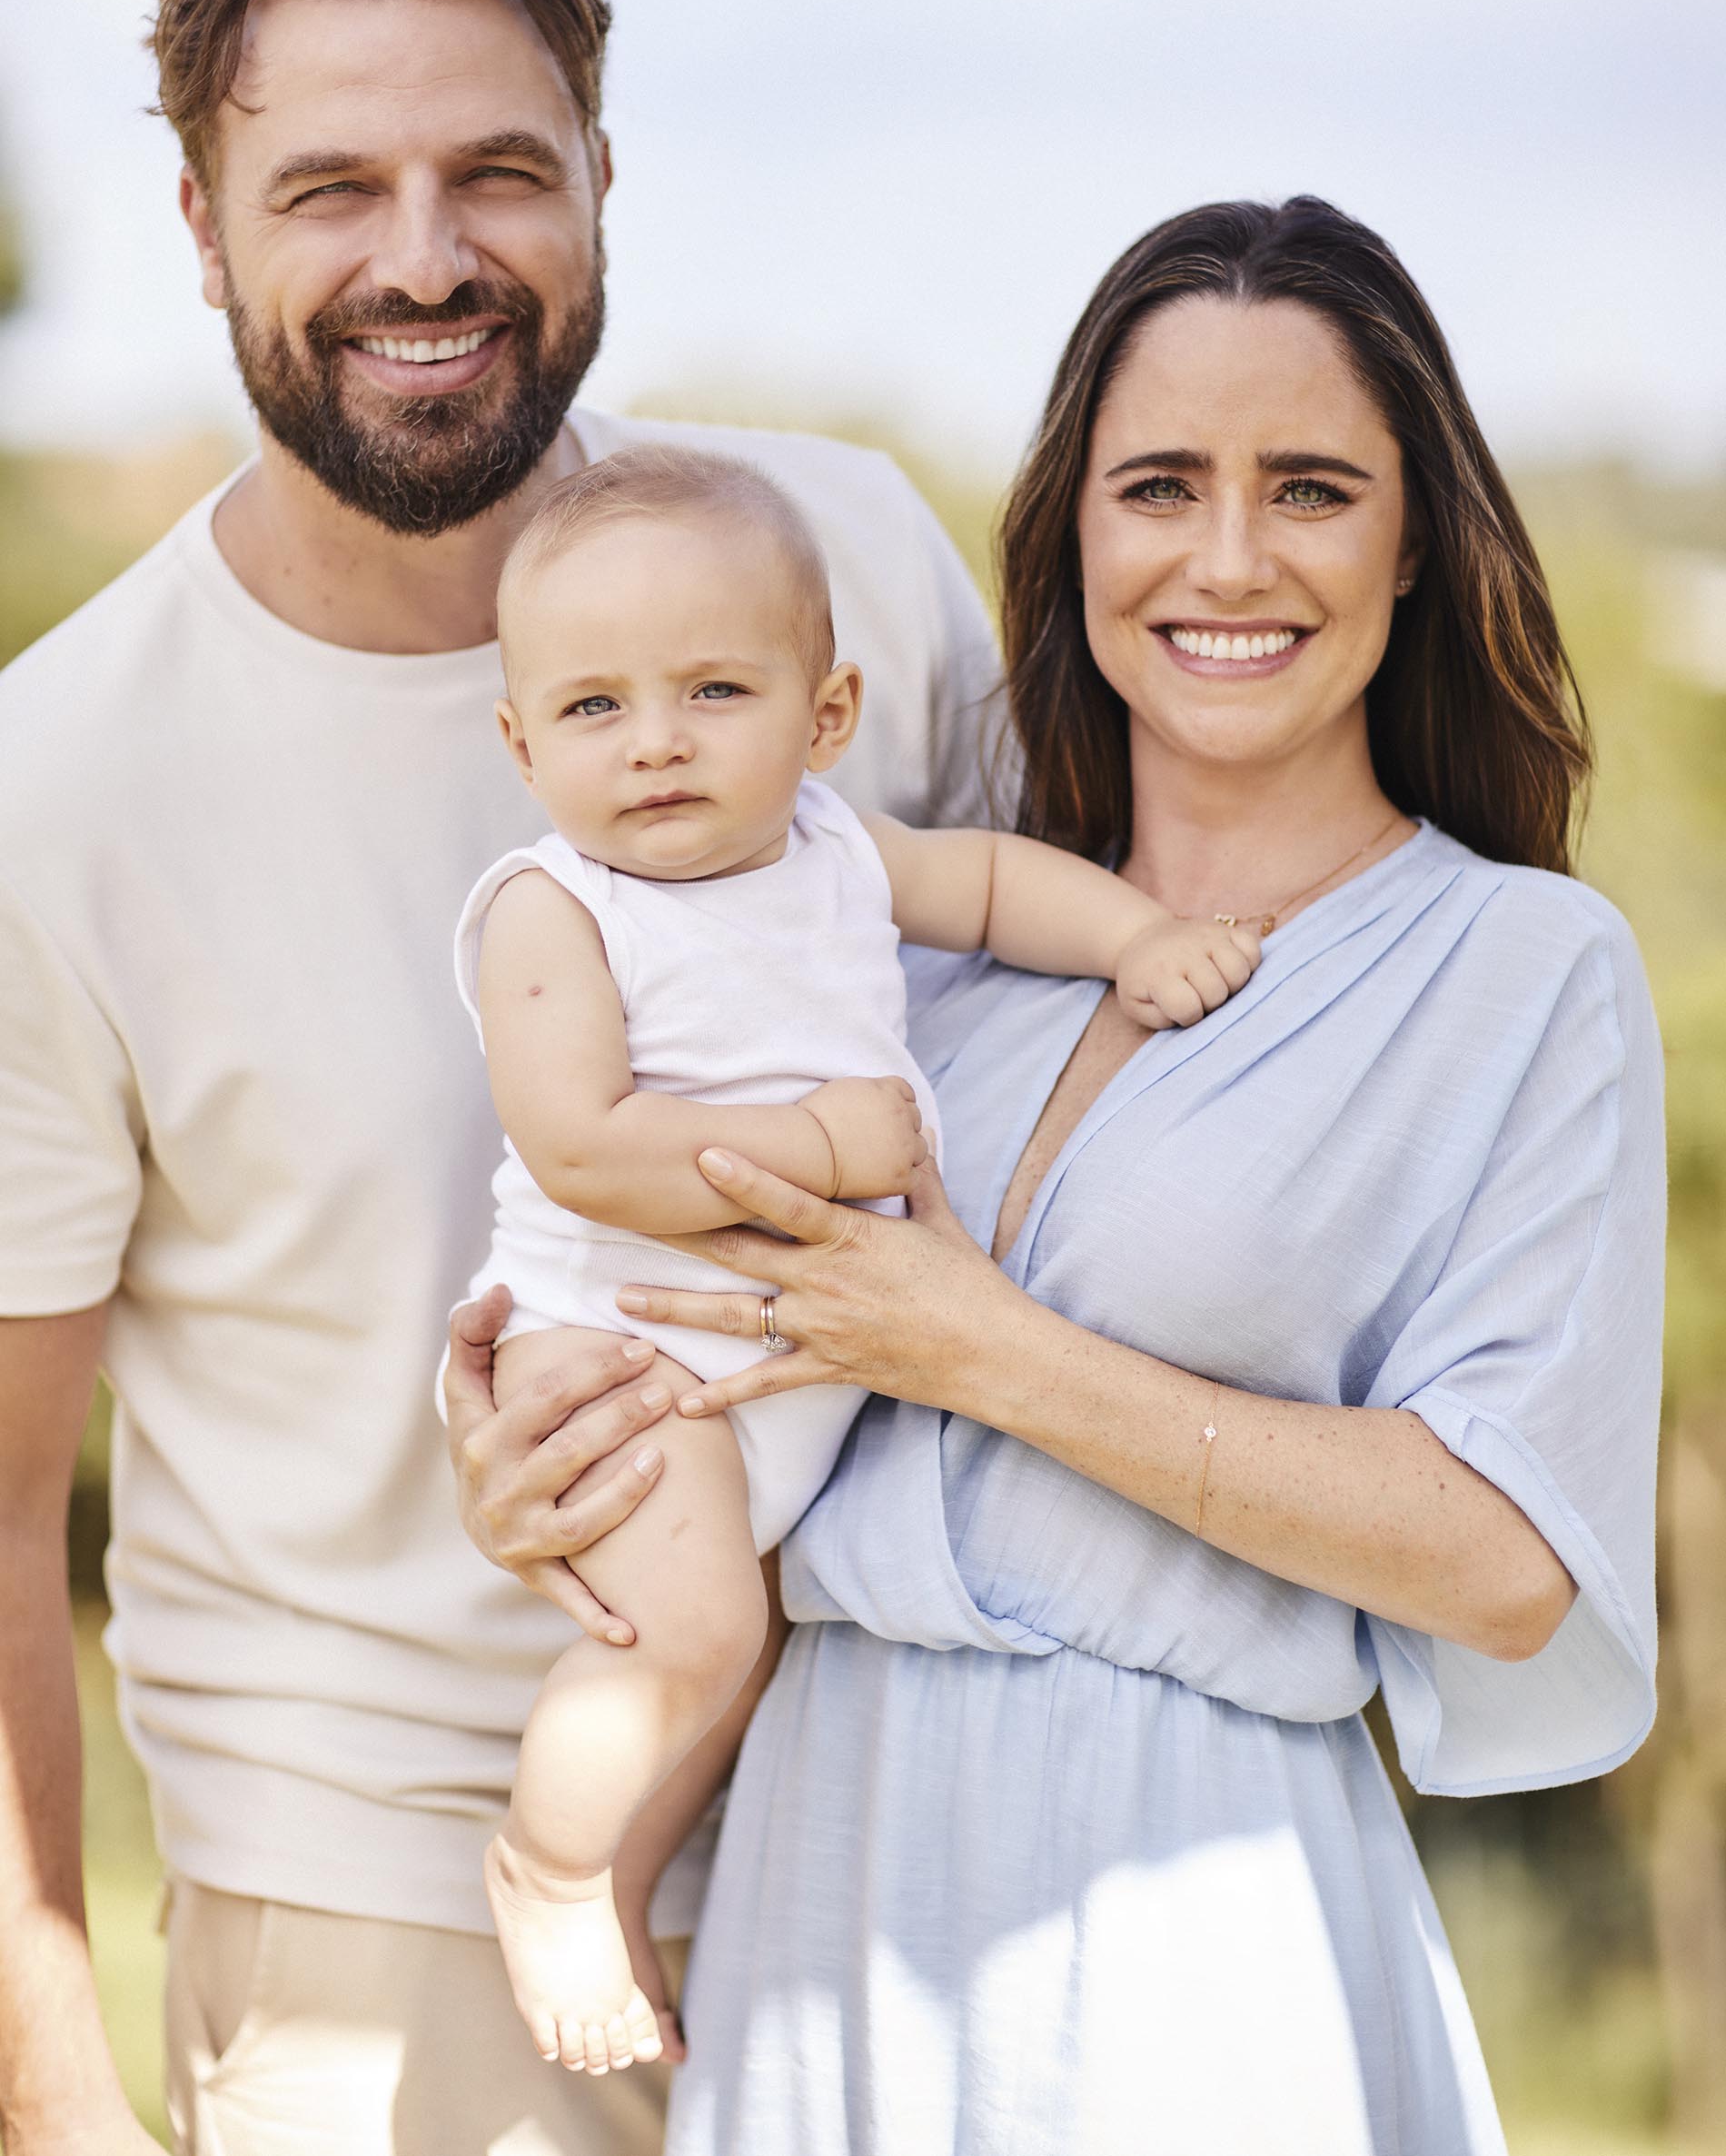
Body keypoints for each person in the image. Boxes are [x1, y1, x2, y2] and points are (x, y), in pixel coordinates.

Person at [459, 197, 1663, 2154]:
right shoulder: (900, 921)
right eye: (1157, 485)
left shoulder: (1517, 973)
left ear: (1415, 538)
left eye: (1310, 490)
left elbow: (1509, 1562)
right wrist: (523, 1445)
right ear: (1073, 528)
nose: (1225, 557)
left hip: (1177, 1895)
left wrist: (986, 1351)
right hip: (815, 1870)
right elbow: (653, 1240)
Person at [0, 0, 1003, 2156]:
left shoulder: (853, 564)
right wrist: (49, 2107)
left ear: (604, 181)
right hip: (390, 1951)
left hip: (909, 1841)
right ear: (198, 220)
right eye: (331, 184)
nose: (424, 261)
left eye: (498, 172)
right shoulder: (52, 786)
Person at [458, 444, 1258, 2075]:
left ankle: (610, 1872)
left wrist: (1133, 939)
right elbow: (584, 1143)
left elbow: (982, 884)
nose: (658, 739)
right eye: (595, 708)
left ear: (824, 716)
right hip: (621, 1346)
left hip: (771, 1361)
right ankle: (550, 1869)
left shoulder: (832, 847)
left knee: (731, 1659)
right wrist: (842, 1143)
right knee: (698, 1642)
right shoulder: (556, 908)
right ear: (522, 739)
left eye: (714, 689)